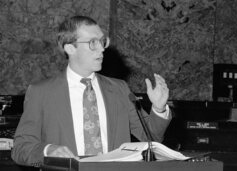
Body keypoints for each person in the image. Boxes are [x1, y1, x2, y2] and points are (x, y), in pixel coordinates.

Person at [11, 15, 171, 167]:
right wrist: (48, 151)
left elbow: (152, 138)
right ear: (70, 48)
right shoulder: (41, 92)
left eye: (102, 41)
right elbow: (21, 148)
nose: (101, 48)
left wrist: (158, 108)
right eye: (93, 42)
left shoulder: (119, 89)